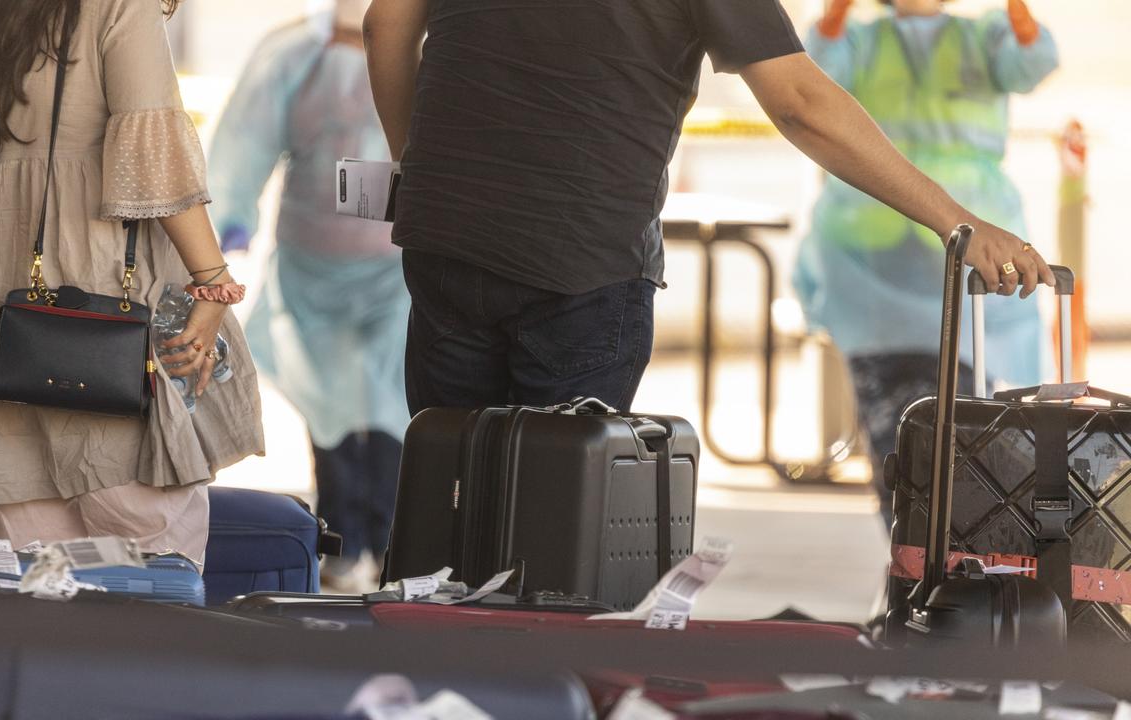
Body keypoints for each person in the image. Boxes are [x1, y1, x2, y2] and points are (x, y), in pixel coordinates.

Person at [362, 0, 1055, 418]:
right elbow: (799, 103)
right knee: (547, 524)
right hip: (578, 265)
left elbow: (383, 24)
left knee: (446, 496)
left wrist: (419, 171)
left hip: (445, 244)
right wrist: (954, 221)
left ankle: (431, 653)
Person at [0, 0, 265, 564]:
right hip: (96, 266)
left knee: (24, 530)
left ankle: (42, 652)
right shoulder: (120, 5)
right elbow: (151, 155)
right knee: (146, 529)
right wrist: (212, 280)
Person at [797, 0, 1057, 523]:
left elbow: (1030, 64)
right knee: (896, 434)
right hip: (873, 265)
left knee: (970, 426)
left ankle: (954, 555)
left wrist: (1020, 13)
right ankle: (908, 559)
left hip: (971, 258)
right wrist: (833, 13)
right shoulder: (864, 43)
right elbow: (814, 73)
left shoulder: (982, 37)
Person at [207, 0, 408, 589]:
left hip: (398, 271)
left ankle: (389, 541)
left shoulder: (431, 50)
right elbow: (245, 138)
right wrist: (230, 219)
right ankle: (347, 541)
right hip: (317, 269)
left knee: (392, 408)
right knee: (333, 410)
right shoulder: (294, 55)